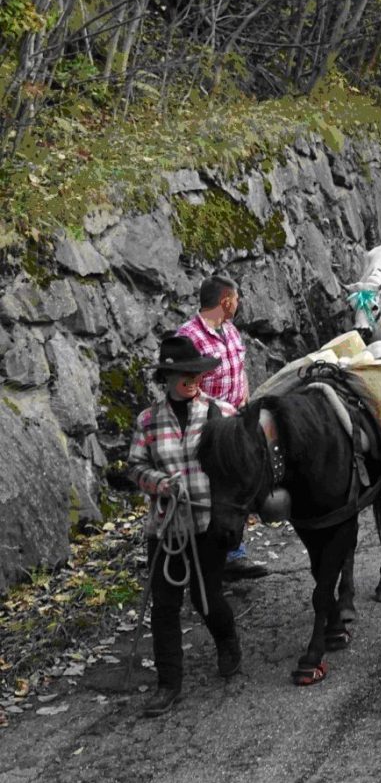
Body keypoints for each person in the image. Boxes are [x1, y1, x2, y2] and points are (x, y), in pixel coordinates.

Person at [127, 335, 241, 718]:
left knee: (206, 597)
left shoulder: (221, 413)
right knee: (164, 606)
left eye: (196, 373)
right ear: (168, 377)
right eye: (183, 374)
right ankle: (168, 684)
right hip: (165, 528)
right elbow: (135, 466)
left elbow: (238, 465)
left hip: (207, 523)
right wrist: (158, 484)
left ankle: (227, 641)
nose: (192, 380)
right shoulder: (147, 420)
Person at [176, 275, 266, 581]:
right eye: (237, 299)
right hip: (205, 427)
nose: (238, 304)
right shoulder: (189, 337)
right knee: (211, 492)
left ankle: (234, 553)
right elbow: (185, 386)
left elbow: (240, 372)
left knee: (236, 489)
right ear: (226, 301)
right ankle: (207, 559)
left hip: (235, 423)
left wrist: (246, 406)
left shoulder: (230, 331)